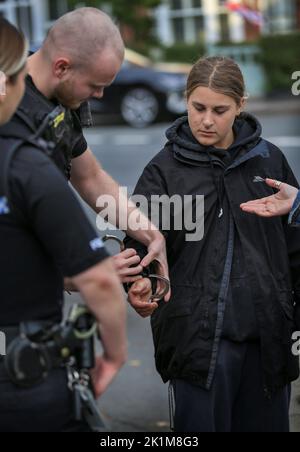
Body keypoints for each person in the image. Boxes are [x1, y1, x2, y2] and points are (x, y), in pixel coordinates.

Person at [125, 57, 300, 432]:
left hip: (267, 345)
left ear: (241, 106)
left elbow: (295, 250)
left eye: (220, 110)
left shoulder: (270, 160)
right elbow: (138, 245)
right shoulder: (163, 170)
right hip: (195, 348)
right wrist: (139, 282)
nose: (207, 120)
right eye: (198, 107)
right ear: (186, 100)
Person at [0, 18, 127, 432]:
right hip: (23, 375)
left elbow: (90, 175)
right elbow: (100, 282)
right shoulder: (25, 164)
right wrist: (113, 355)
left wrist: (147, 229)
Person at [0, 7, 169, 290]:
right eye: (95, 85)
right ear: (62, 67)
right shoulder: (8, 109)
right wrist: (89, 272)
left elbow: (89, 176)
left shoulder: (59, 99)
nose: (100, 95)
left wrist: (151, 234)